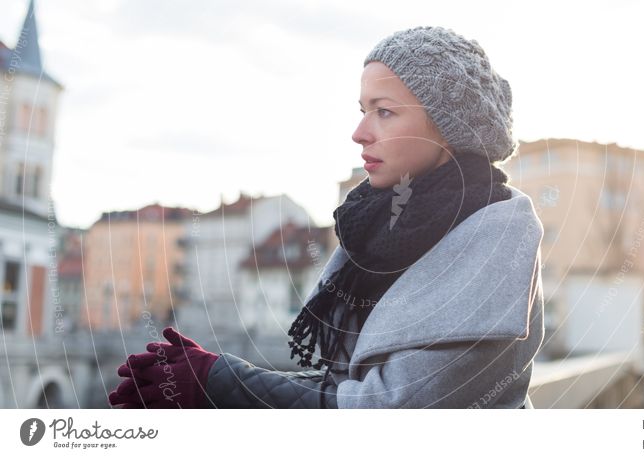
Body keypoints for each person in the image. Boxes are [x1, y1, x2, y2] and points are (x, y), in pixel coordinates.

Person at [109, 25, 544, 409]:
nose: (359, 133)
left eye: (385, 111)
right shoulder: (381, 229)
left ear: (448, 127)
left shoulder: (495, 241)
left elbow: (389, 410)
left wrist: (217, 380)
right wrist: (210, 375)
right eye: (363, 111)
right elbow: (346, 385)